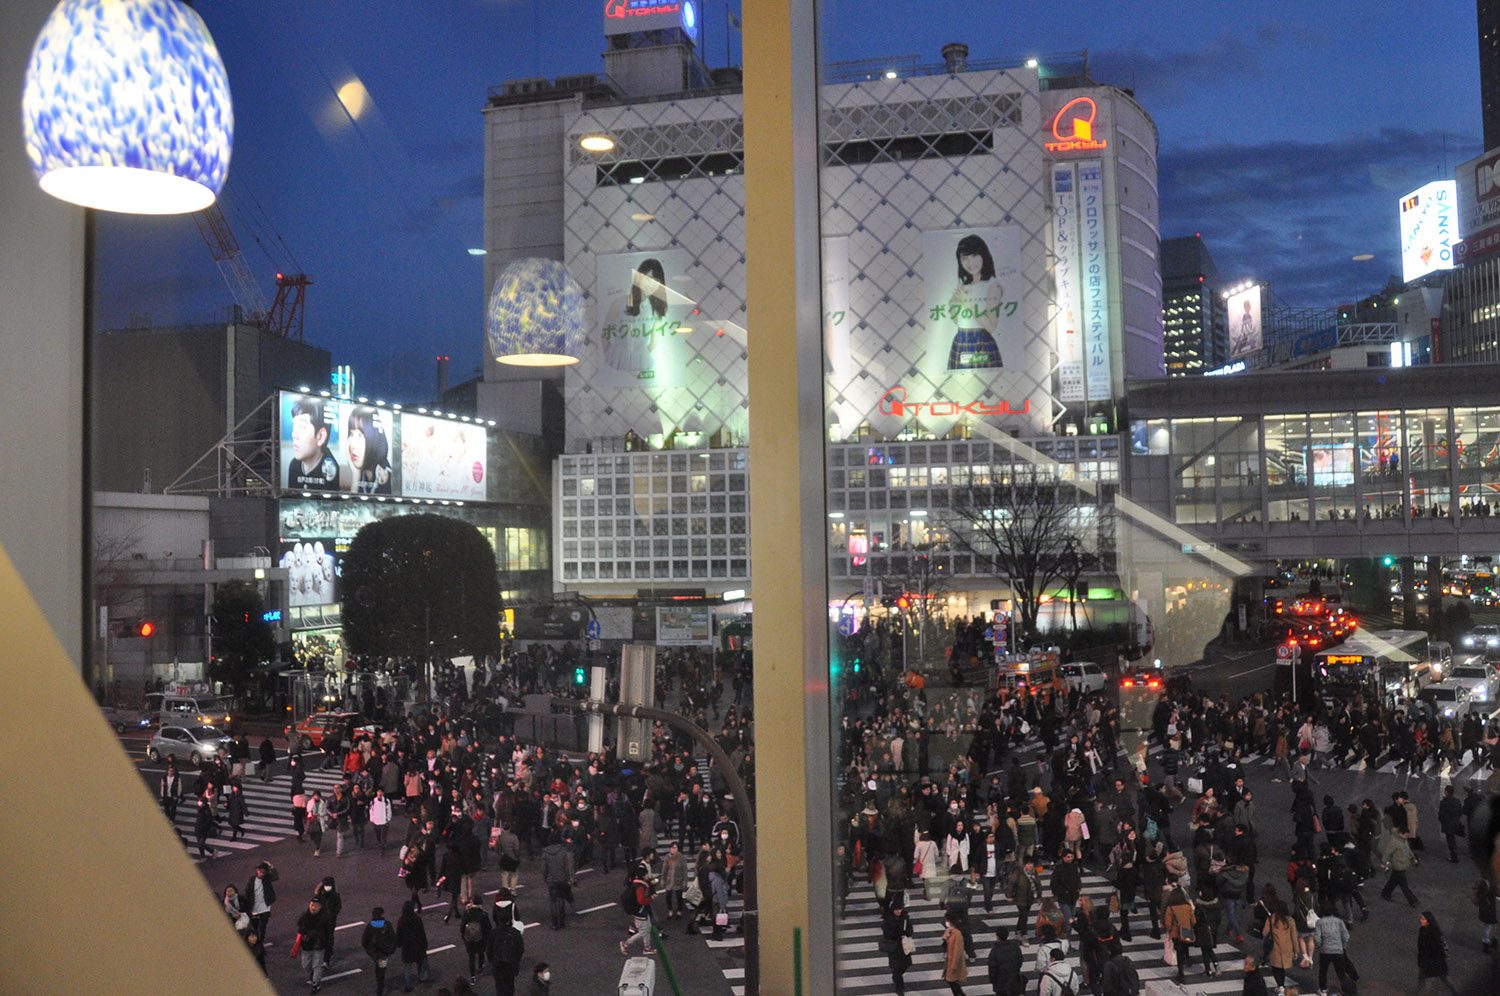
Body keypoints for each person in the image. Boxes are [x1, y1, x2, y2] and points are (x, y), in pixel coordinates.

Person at [944, 233, 1004, 370]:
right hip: (960, 340)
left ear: (983, 254)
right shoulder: (964, 285)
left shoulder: (993, 285)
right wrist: (953, 305)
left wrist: (968, 303)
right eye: (965, 258)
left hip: (981, 342)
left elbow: (991, 326)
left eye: (974, 256)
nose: (970, 263)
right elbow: (957, 320)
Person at [287, 394, 338, 488]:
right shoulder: (294, 465)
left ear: (321, 436)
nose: (294, 434)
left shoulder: (330, 468)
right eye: (294, 425)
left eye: (301, 426)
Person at [345, 405, 393, 494]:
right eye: (351, 434)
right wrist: (356, 475)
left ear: (373, 437)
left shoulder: (388, 477)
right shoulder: (363, 474)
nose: (353, 445)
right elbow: (352, 506)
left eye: (360, 435)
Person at [1313, 903, 1356, 995]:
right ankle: (1346, 990)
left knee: (1323, 970)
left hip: (1325, 951)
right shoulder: (1339, 921)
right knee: (1341, 972)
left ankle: (1323, 989)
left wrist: (1320, 946)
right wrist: (1343, 946)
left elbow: (1317, 938)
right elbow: (1346, 936)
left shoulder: (1320, 922)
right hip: (1338, 950)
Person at [619, 863, 656, 956]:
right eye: (646, 874)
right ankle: (626, 943)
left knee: (648, 928)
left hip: (638, 911)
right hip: (640, 912)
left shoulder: (635, 884)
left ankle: (647, 948)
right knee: (643, 931)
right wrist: (651, 898)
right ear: (644, 876)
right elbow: (641, 900)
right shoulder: (640, 887)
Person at [296, 896, 331, 993]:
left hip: (319, 945)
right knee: (305, 964)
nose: (313, 907)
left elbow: (329, 933)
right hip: (306, 945)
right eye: (311, 905)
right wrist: (302, 932)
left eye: (315, 905)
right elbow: (299, 926)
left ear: (320, 907)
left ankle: (316, 983)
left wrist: (326, 944)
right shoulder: (305, 915)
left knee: (317, 965)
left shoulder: (325, 917)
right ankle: (313, 974)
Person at [361, 906, 399, 996]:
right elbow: (393, 937)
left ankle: (378, 980)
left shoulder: (370, 925)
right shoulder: (387, 924)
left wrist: (368, 949)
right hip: (384, 953)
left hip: (374, 953)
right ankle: (380, 987)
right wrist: (392, 948)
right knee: (382, 968)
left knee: (377, 966)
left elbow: (364, 940)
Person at [487, 909, 525, 996]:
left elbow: (489, 950)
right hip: (511, 965)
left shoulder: (493, 933)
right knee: (510, 985)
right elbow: (520, 949)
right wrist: (516, 961)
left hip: (498, 965)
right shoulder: (515, 933)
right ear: (510, 920)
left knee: (499, 986)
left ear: (498, 920)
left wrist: (492, 961)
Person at [541, 834, 576, 930]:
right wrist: (569, 879)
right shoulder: (563, 851)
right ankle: (562, 921)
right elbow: (567, 866)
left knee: (553, 901)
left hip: (551, 880)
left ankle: (554, 923)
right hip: (562, 878)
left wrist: (545, 878)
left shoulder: (545, 853)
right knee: (561, 899)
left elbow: (544, 869)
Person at [1163, 885, 1198, 982]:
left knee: (1178, 952)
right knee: (1185, 948)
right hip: (1186, 931)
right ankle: (1187, 959)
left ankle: (1181, 972)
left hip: (1175, 933)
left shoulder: (1170, 908)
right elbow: (1193, 921)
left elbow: (1168, 924)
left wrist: (1169, 930)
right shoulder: (1188, 907)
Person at [881, 897, 914, 996]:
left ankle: (897, 979)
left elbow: (910, 929)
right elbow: (887, 934)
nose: (898, 911)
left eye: (900, 909)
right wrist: (897, 931)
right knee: (896, 967)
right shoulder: (888, 920)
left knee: (905, 965)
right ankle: (899, 987)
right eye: (896, 909)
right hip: (894, 947)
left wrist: (907, 933)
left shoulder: (905, 918)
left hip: (904, 945)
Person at [1379, 825, 1418, 906]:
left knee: (1393, 881)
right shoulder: (1395, 842)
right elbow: (1387, 853)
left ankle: (1385, 893)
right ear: (1401, 834)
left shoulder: (1404, 840)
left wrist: (1413, 857)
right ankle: (1412, 900)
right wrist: (1384, 862)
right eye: (1406, 835)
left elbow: (1408, 850)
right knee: (1404, 886)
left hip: (1402, 865)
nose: (1407, 837)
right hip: (1398, 866)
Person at [397, 899, 431, 992]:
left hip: (407, 947)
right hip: (418, 945)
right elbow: (422, 932)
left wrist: (398, 943)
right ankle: (422, 977)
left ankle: (407, 985)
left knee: (407, 967)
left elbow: (399, 934)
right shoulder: (417, 919)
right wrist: (425, 943)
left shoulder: (401, 920)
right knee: (420, 962)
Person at [1266, 901, 1299, 994]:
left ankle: (1280, 986)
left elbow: (1265, 932)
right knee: (1282, 968)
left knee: (1276, 968)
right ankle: (1281, 985)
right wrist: (1296, 951)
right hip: (1287, 948)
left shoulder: (1272, 919)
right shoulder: (1290, 921)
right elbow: (1294, 937)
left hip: (1275, 948)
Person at [459, 896, 491, 984]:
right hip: (480, 939)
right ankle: (480, 967)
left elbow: (462, 927)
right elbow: (488, 928)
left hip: (469, 939)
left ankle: (473, 977)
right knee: (481, 953)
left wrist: (464, 936)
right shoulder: (483, 914)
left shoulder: (467, 912)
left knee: (471, 957)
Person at [986, 925, 1024, 996]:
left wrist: (993, 981)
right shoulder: (1015, 947)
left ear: (997, 936)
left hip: (1001, 983)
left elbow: (992, 969)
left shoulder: (995, 951)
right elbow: (1020, 961)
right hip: (1014, 980)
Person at [244, 861, 277, 942]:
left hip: (265, 906)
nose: (261, 873)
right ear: (257, 870)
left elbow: (276, 877)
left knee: (262, 927)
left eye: (263, 871)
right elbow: (247, 891)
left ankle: (260, 942)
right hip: (254, 907)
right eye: (259, 870)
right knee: (254, 926)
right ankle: (256, 940)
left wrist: (271, 866)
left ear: (266, 873)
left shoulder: (267, 879)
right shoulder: (252, 879)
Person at [315, 877, 343, 968]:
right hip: (320, 921)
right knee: (321, 939)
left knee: (329, 939)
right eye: (326, 885)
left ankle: (326, 959)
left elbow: (338, 907)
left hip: (330, 922)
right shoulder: (320, 894)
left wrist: (332, 915)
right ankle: (325, 954)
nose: (327, 887)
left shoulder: (335, 896)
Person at [942, 910, 968, 995]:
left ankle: (960, 994)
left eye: (947, 921)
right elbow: (945, 942)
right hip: (949, 960)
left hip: (954, 962)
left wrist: (954, 965)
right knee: (951, 981)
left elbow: (957, 951)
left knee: (951, 981)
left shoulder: (957, 934)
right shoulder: (950, 931)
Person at [662, 842, 688, 922]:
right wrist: (663, 879)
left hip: (678, 880)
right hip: (670, 881)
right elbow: (665, 869)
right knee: (668, 896)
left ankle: (679, 911)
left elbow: (685, 870)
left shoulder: (681, 857)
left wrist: (685, 881)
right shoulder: (668, 857)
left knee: (679, 897)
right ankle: (670, 910)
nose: (674, 849)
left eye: (675, 847)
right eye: (672, 847)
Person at [1437, 785, 1464, 863]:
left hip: (1448, 824)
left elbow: (1441, 815)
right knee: (1452, 839)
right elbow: (1460, 811)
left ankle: (1454, 857)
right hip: (1455, 823)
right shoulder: (1457, 801)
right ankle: (1454, 854)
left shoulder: (1444, 802)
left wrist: (1442, 821)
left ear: (1446, 792)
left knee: (1450, 840)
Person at [159, 757, 184, 823]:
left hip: (174, 795)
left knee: (173, 809)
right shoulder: (164, 778)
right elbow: (162, 787)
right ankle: (168, 817)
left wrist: (177, 795)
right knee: (166, 808)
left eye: (172, 771)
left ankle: (172, 819)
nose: (170, 772)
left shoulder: (177, 779)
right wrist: (162, 794)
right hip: (166, 795)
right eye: (169, 771)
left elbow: (179, 788)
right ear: (167, 771)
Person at [1477, 877, 1498, 954]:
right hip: (1490, 910)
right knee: (1488, 926)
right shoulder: (1490, 884)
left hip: (1487, 909)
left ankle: (1489, 942)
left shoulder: (1484, 882)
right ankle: (1489, 943)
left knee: (1488, 926)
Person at [370, 787, 394, 854]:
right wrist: (372, 819)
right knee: (378, 835)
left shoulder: (387, 801)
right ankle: (381, 844)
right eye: (378, 792)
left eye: (381, 792)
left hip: (384, 822)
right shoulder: (373, 801)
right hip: (376, 822)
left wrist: (388, 819)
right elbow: (371, 810)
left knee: (383, 836)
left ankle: (382, 848)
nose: (380, 793)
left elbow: (389, 811)